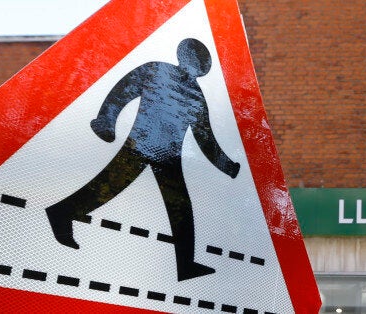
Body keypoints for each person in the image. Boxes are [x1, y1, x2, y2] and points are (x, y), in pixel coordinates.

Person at [45, 38, 240, 281]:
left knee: (179, 207)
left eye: (201, 65)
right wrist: (106, 121)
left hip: (168, 157)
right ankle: (61, 214)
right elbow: (122, 92)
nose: (198, 68)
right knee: (106, 189)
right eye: (196, 62)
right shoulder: (156, 70)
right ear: (184, 57)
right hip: (140, 147)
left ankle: (186, 265)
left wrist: (228, 166)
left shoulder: (196, 96)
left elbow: (205, 138)